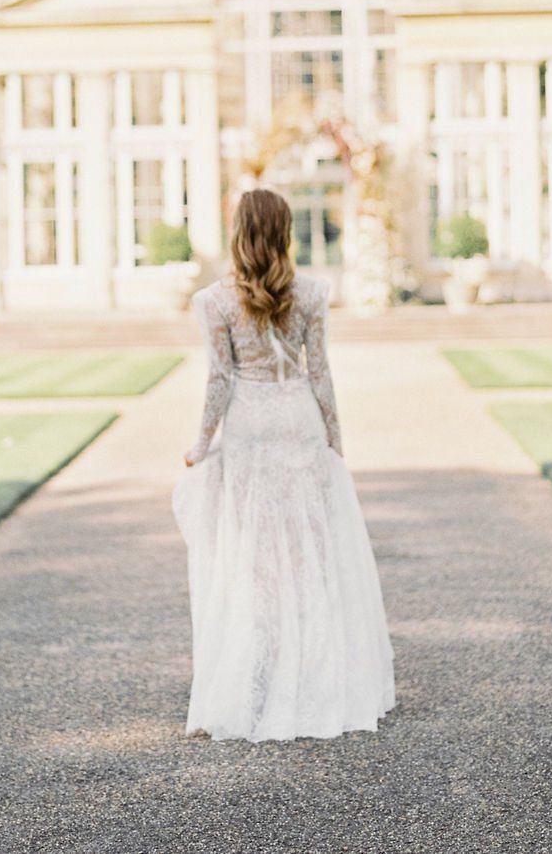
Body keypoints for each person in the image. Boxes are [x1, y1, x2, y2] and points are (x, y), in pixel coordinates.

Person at [172, 187, 395, 743]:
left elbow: (219, 380)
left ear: (238, 232)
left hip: (249, 425)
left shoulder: (213, 301)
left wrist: (201, 444)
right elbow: (319, 373)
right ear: (285, 231)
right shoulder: (314, 293)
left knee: (254, 554)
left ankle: (260, 675)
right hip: (298, 421)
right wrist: (335, 439)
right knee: (309, 551)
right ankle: (318, 676)